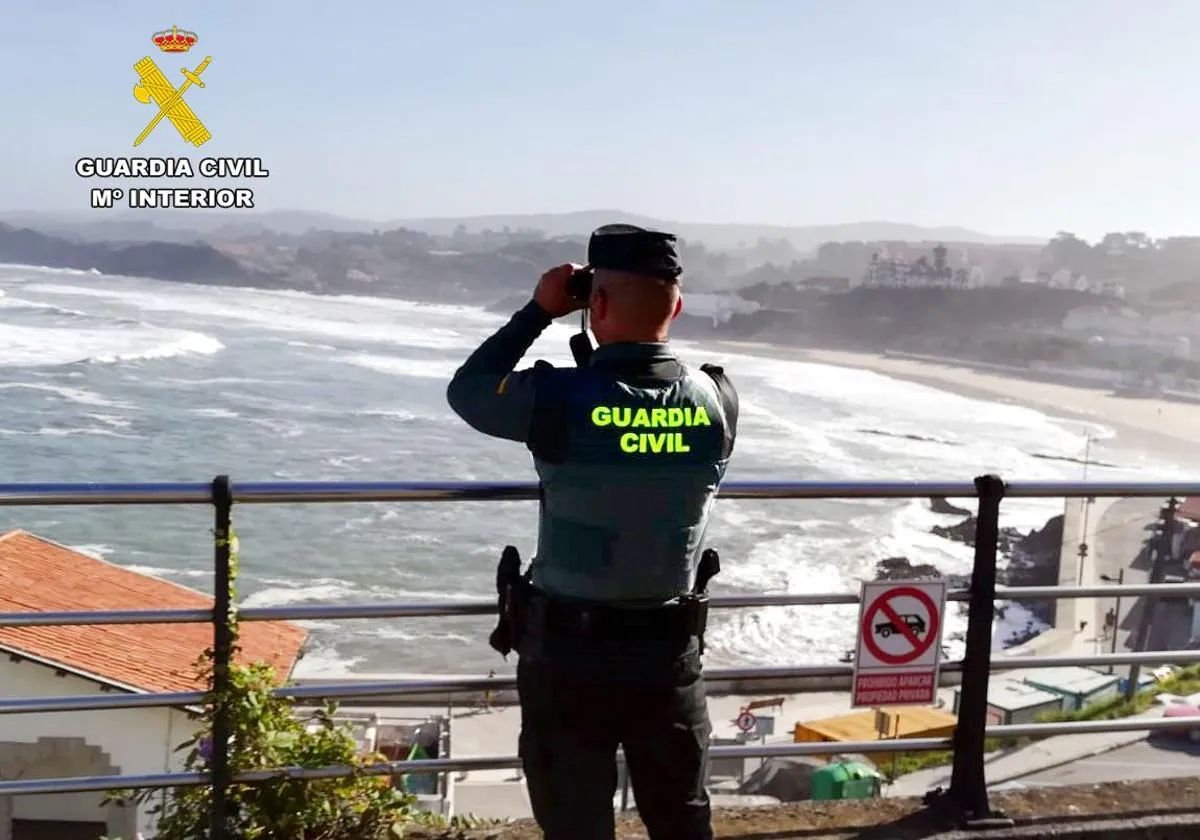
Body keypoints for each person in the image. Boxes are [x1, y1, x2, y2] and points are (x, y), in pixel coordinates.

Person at [447, 224, 737, 840]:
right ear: (677, 306)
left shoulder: (555, 398)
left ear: (594, 305)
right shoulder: (717, 398)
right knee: (683, 821)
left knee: (575, 823)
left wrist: (538, 311)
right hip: (669, 654)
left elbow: (468, 390)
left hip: (569, 657)